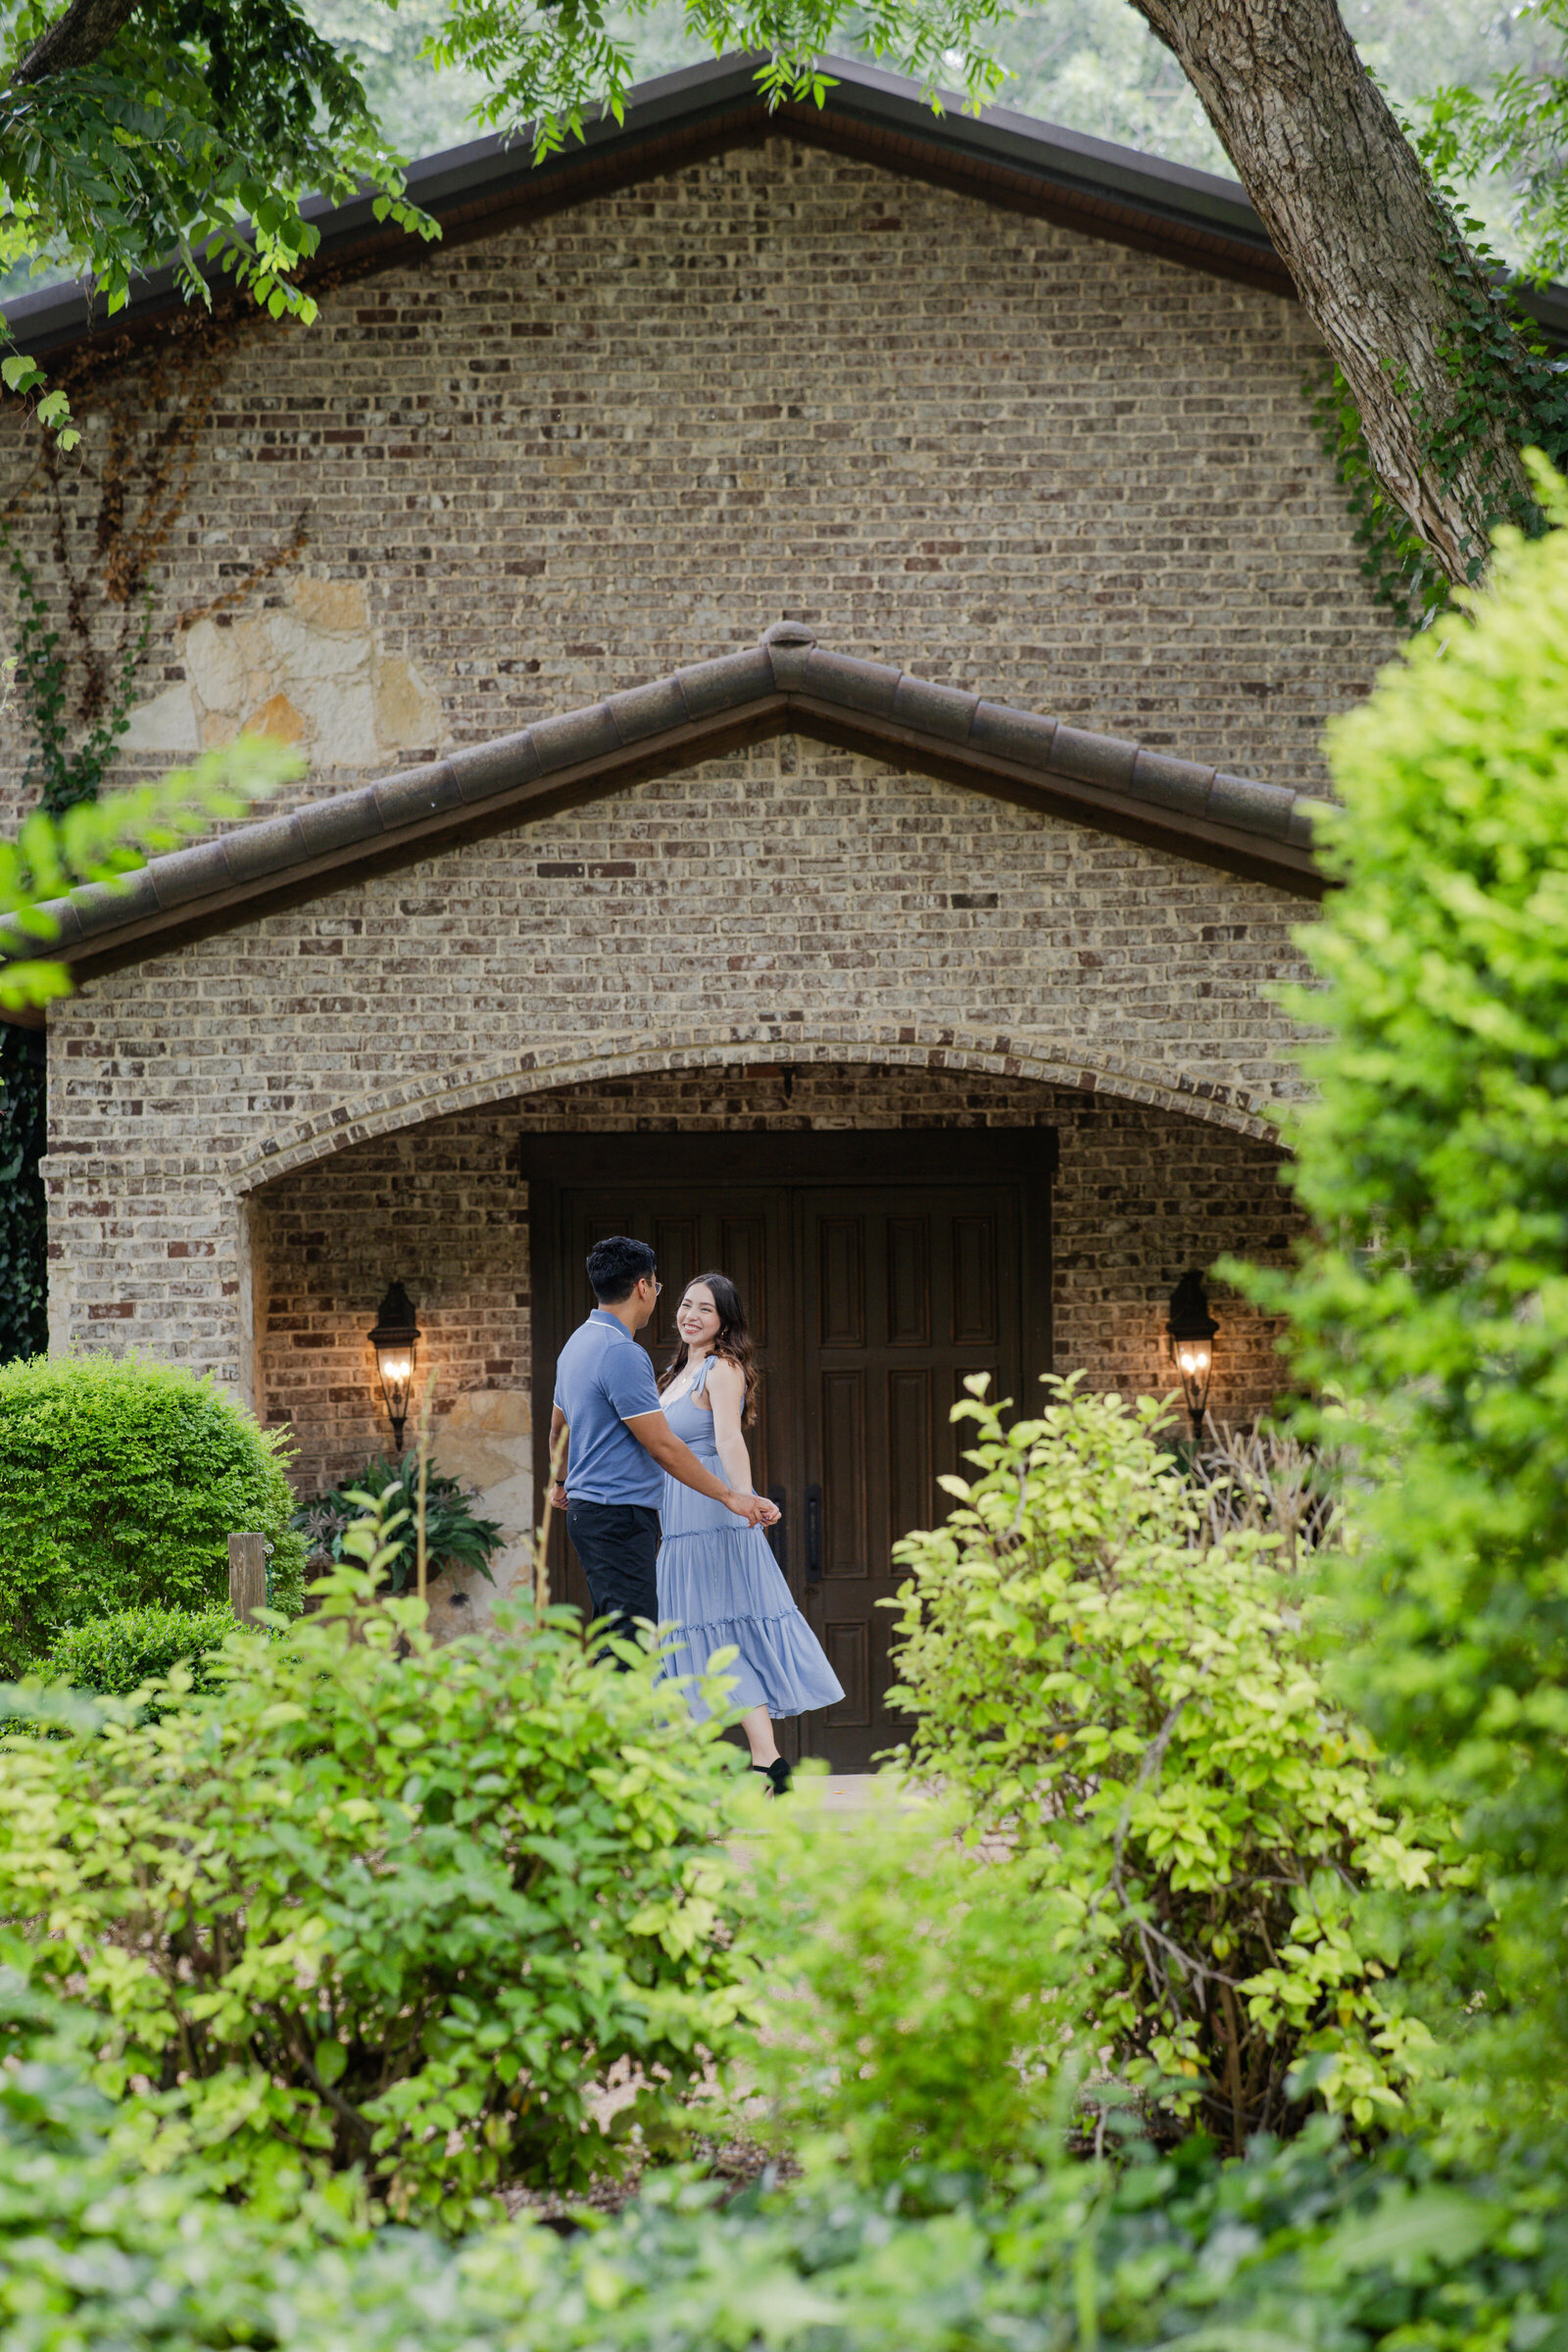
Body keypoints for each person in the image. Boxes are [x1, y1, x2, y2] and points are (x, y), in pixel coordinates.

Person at [658, 1271, 844, 1794]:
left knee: (712, 1633)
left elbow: (728, 1439)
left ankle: (743, 1764)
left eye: (706, 1310)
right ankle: (766, 1764)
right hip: (680, 1522)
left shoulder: (722, 1369)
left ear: (725, 1321)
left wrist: (746, 1500)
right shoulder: (676, 1372)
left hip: (712, 1520)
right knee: (701, 1635)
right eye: (686, 1305)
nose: (691, 1315)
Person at [549, 1235, 777, 1650]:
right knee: (631, 1644)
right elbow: (663, 1447)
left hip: (585, 1512)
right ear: (642, 1287)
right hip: (620, 1516)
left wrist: (562, 1482)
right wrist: (731, 1497)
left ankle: (603, 1716)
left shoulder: (575, 1345)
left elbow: (557, 1430)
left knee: (611, 1636)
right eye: (658, 1287)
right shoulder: (623, 1351)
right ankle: (619, 1717)